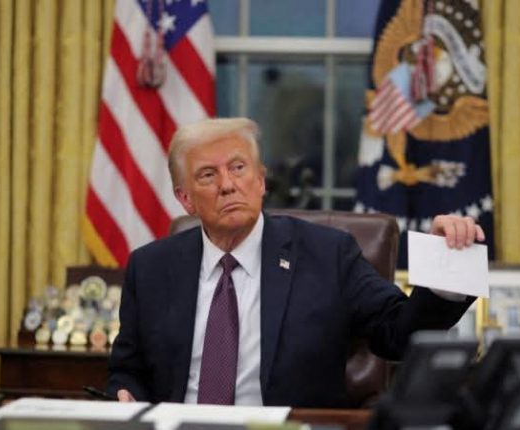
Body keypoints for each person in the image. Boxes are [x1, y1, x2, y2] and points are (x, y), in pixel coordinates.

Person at [107, 117, 485, 407]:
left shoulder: (328, 255)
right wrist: (124, 393)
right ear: (185, 199)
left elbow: (398, 334)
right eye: (208, 175)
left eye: (238, 168)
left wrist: (446, 266)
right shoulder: (150, 268)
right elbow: (127, 371)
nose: (227, 184)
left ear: (260, 181)